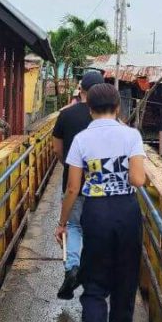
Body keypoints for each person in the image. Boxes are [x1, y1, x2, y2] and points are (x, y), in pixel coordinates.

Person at [55, 83, 146, 322]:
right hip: (126, 212)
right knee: (124, 282)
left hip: (95, 213)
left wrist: (63, 222)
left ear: (90, 108)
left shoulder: (82, 139)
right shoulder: (131, 136)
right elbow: (137, 179)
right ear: (118, 107)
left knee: (94, 281)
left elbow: (72, 188)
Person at [52, 70, 105, 299]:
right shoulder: (107, 120)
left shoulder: (66, 115)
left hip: (73, 182)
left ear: (80, 90)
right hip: (101, 185)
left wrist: (70, 164)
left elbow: (57, 150)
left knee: (73, 226)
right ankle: (93, 273)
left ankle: (72, 267)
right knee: (95, 229)